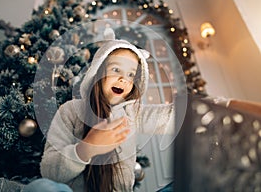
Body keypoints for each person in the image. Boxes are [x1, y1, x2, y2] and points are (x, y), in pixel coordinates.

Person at [35, 28, 175, 192]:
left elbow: (168, 118)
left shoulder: (132, 114)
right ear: (97, 72)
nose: (124, 79)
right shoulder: (71, 111)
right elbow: (49, 172)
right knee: (41, 188)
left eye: (131, 75)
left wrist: (207, 107)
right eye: (116, 70)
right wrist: (86, 149)